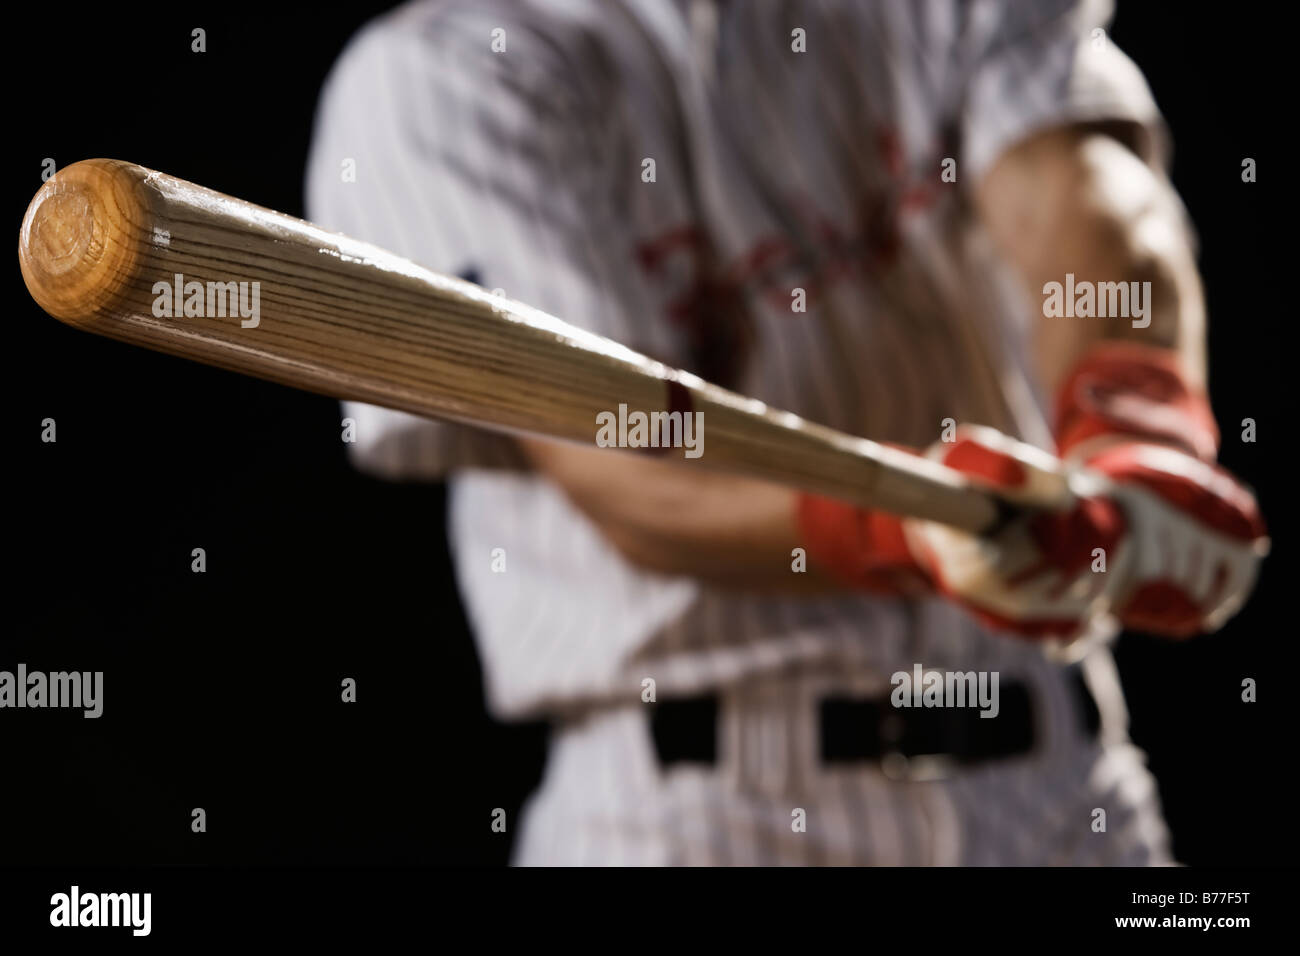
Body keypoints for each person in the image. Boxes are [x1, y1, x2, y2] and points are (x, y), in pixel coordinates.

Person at [305, 0, 1266, 865]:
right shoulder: (450, 70)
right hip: (700, 814)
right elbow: (623, 472)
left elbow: (1081, 189)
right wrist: (904, 529)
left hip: (1058, 783)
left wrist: (1133, 423)